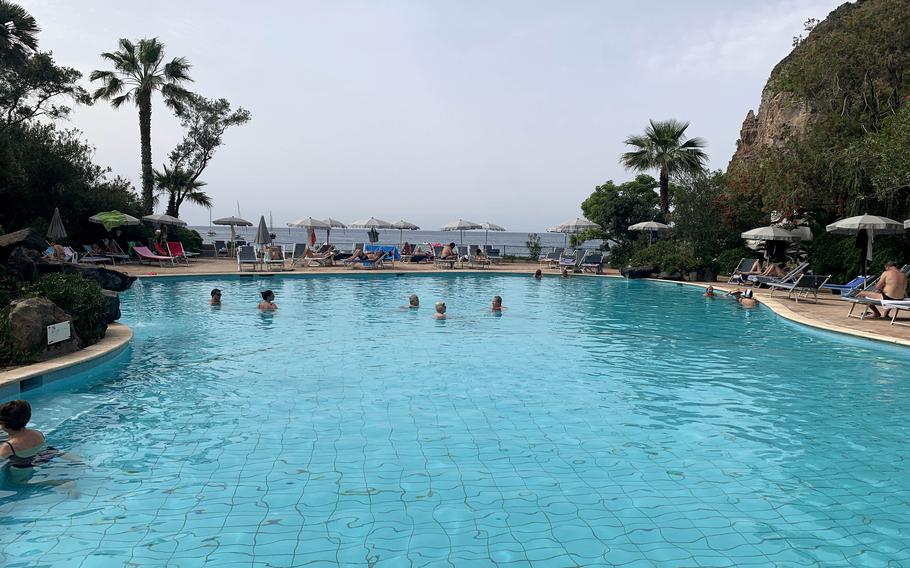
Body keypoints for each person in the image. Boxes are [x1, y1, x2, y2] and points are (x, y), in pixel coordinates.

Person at [0, 400, 59, 469]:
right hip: (42, 461)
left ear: (3, 423)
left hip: (21, 475)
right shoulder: (38, 433)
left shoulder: (8, 447)